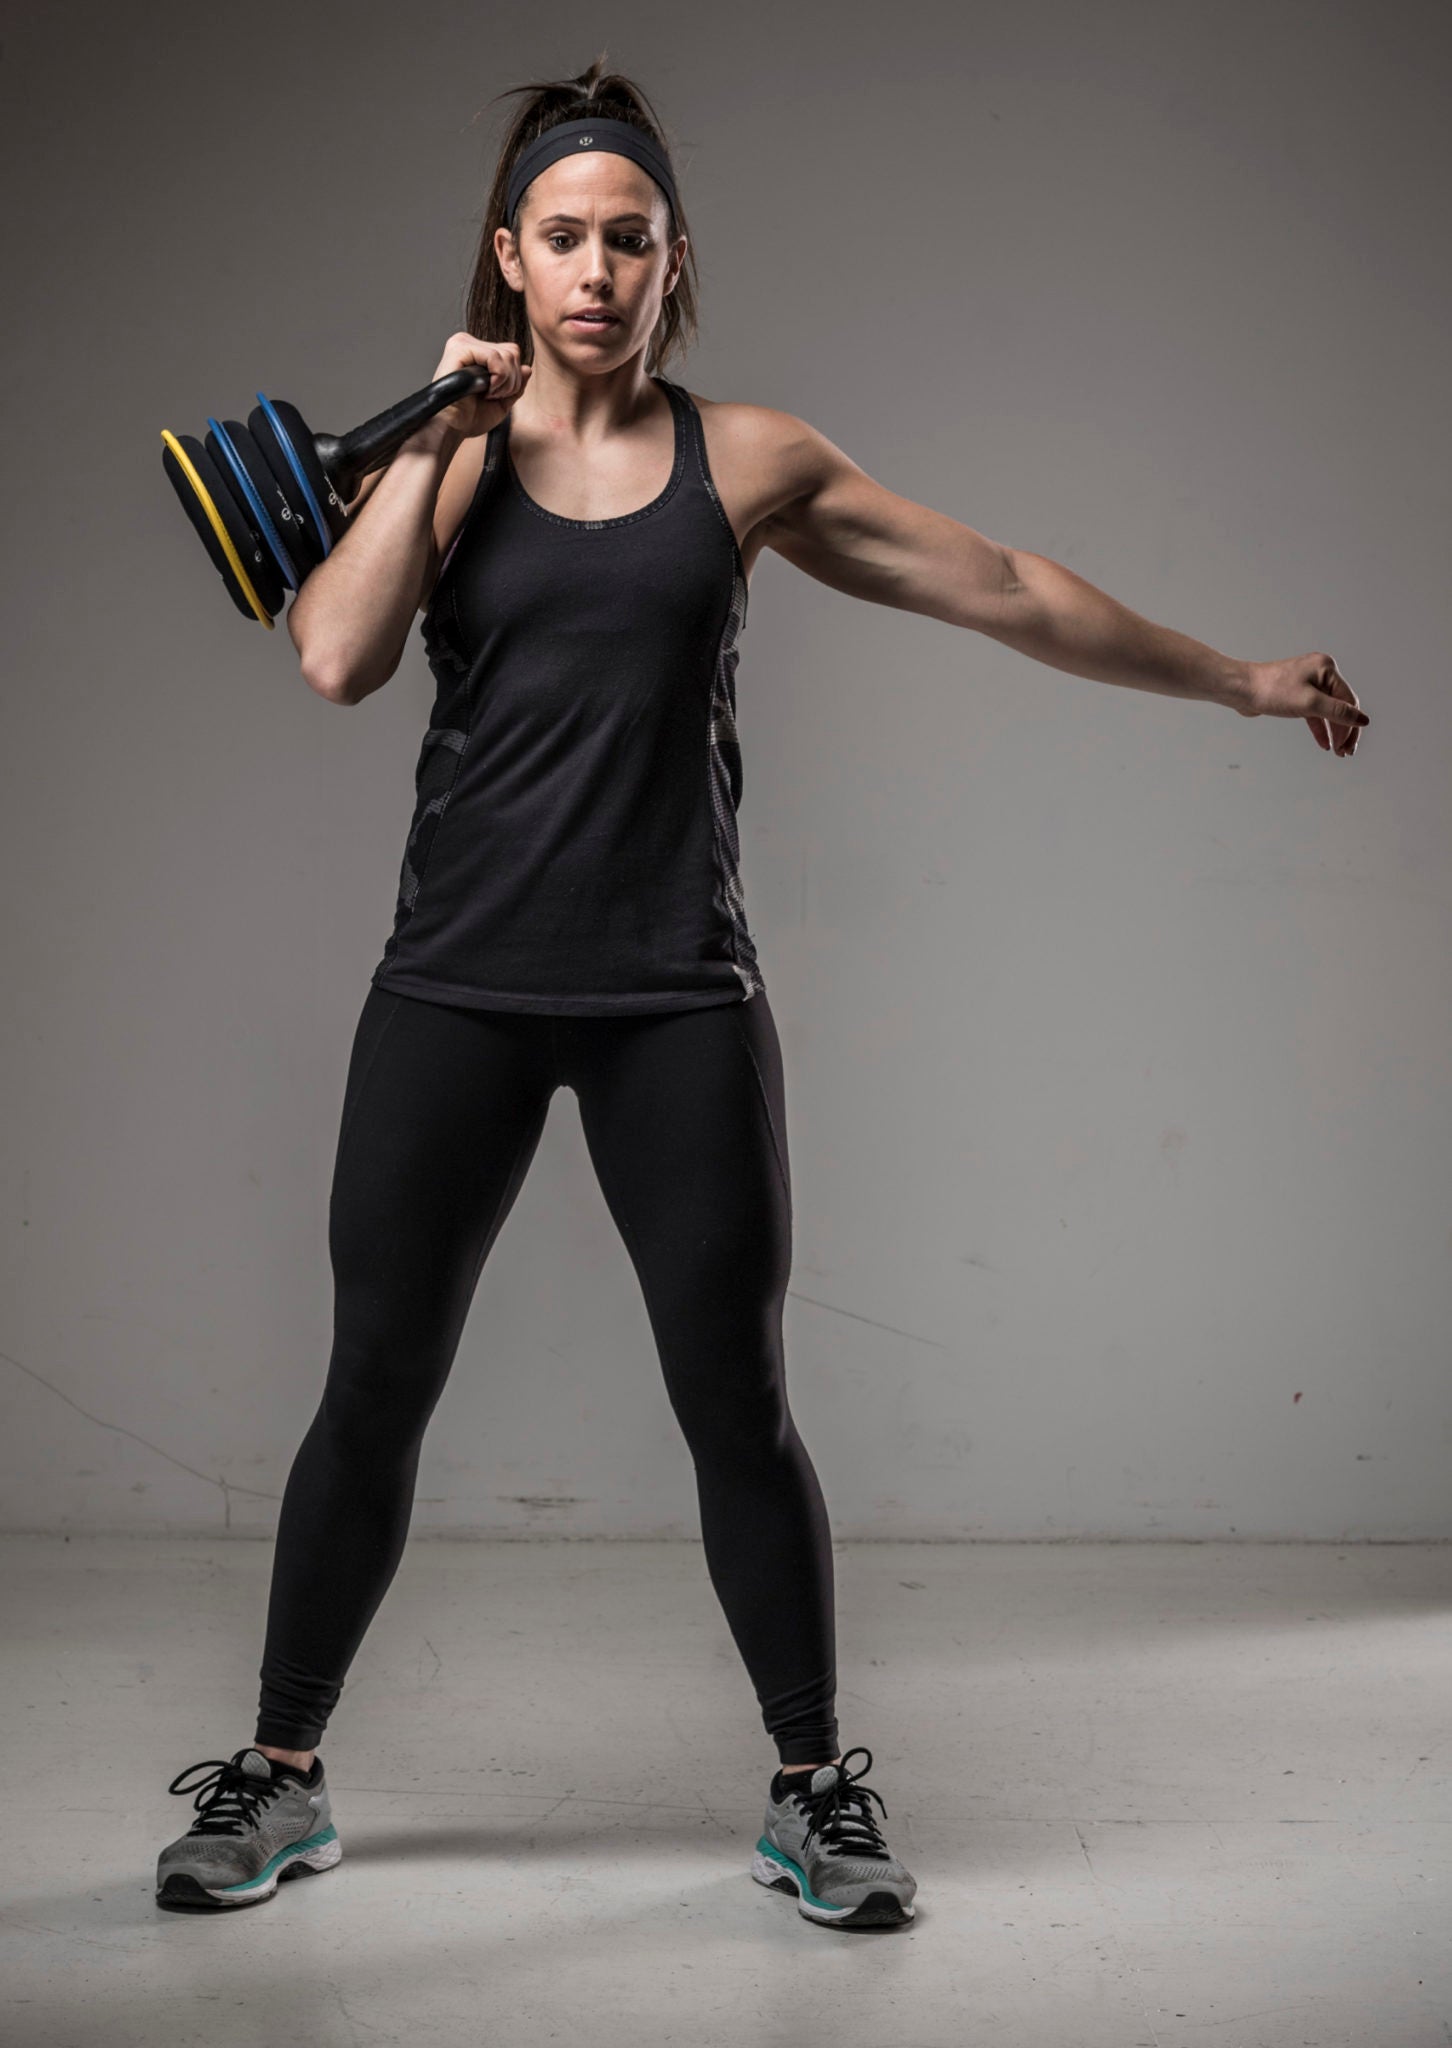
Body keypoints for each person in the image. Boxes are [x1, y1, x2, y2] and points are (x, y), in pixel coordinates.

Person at [153, 55, 1369, 1930]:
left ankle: (814, 1788)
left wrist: (1239, 680)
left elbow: (1007, 586)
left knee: (737, 1402)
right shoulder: (448, 454)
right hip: (454, 993)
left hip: (676, 1003)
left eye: (626, 239)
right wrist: (435, 429)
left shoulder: (755, 464)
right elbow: (331, 655)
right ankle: (282, 1778)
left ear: (672, 260)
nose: (593, 271)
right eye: (559, 238)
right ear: (508, 257)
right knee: (375, 1385)